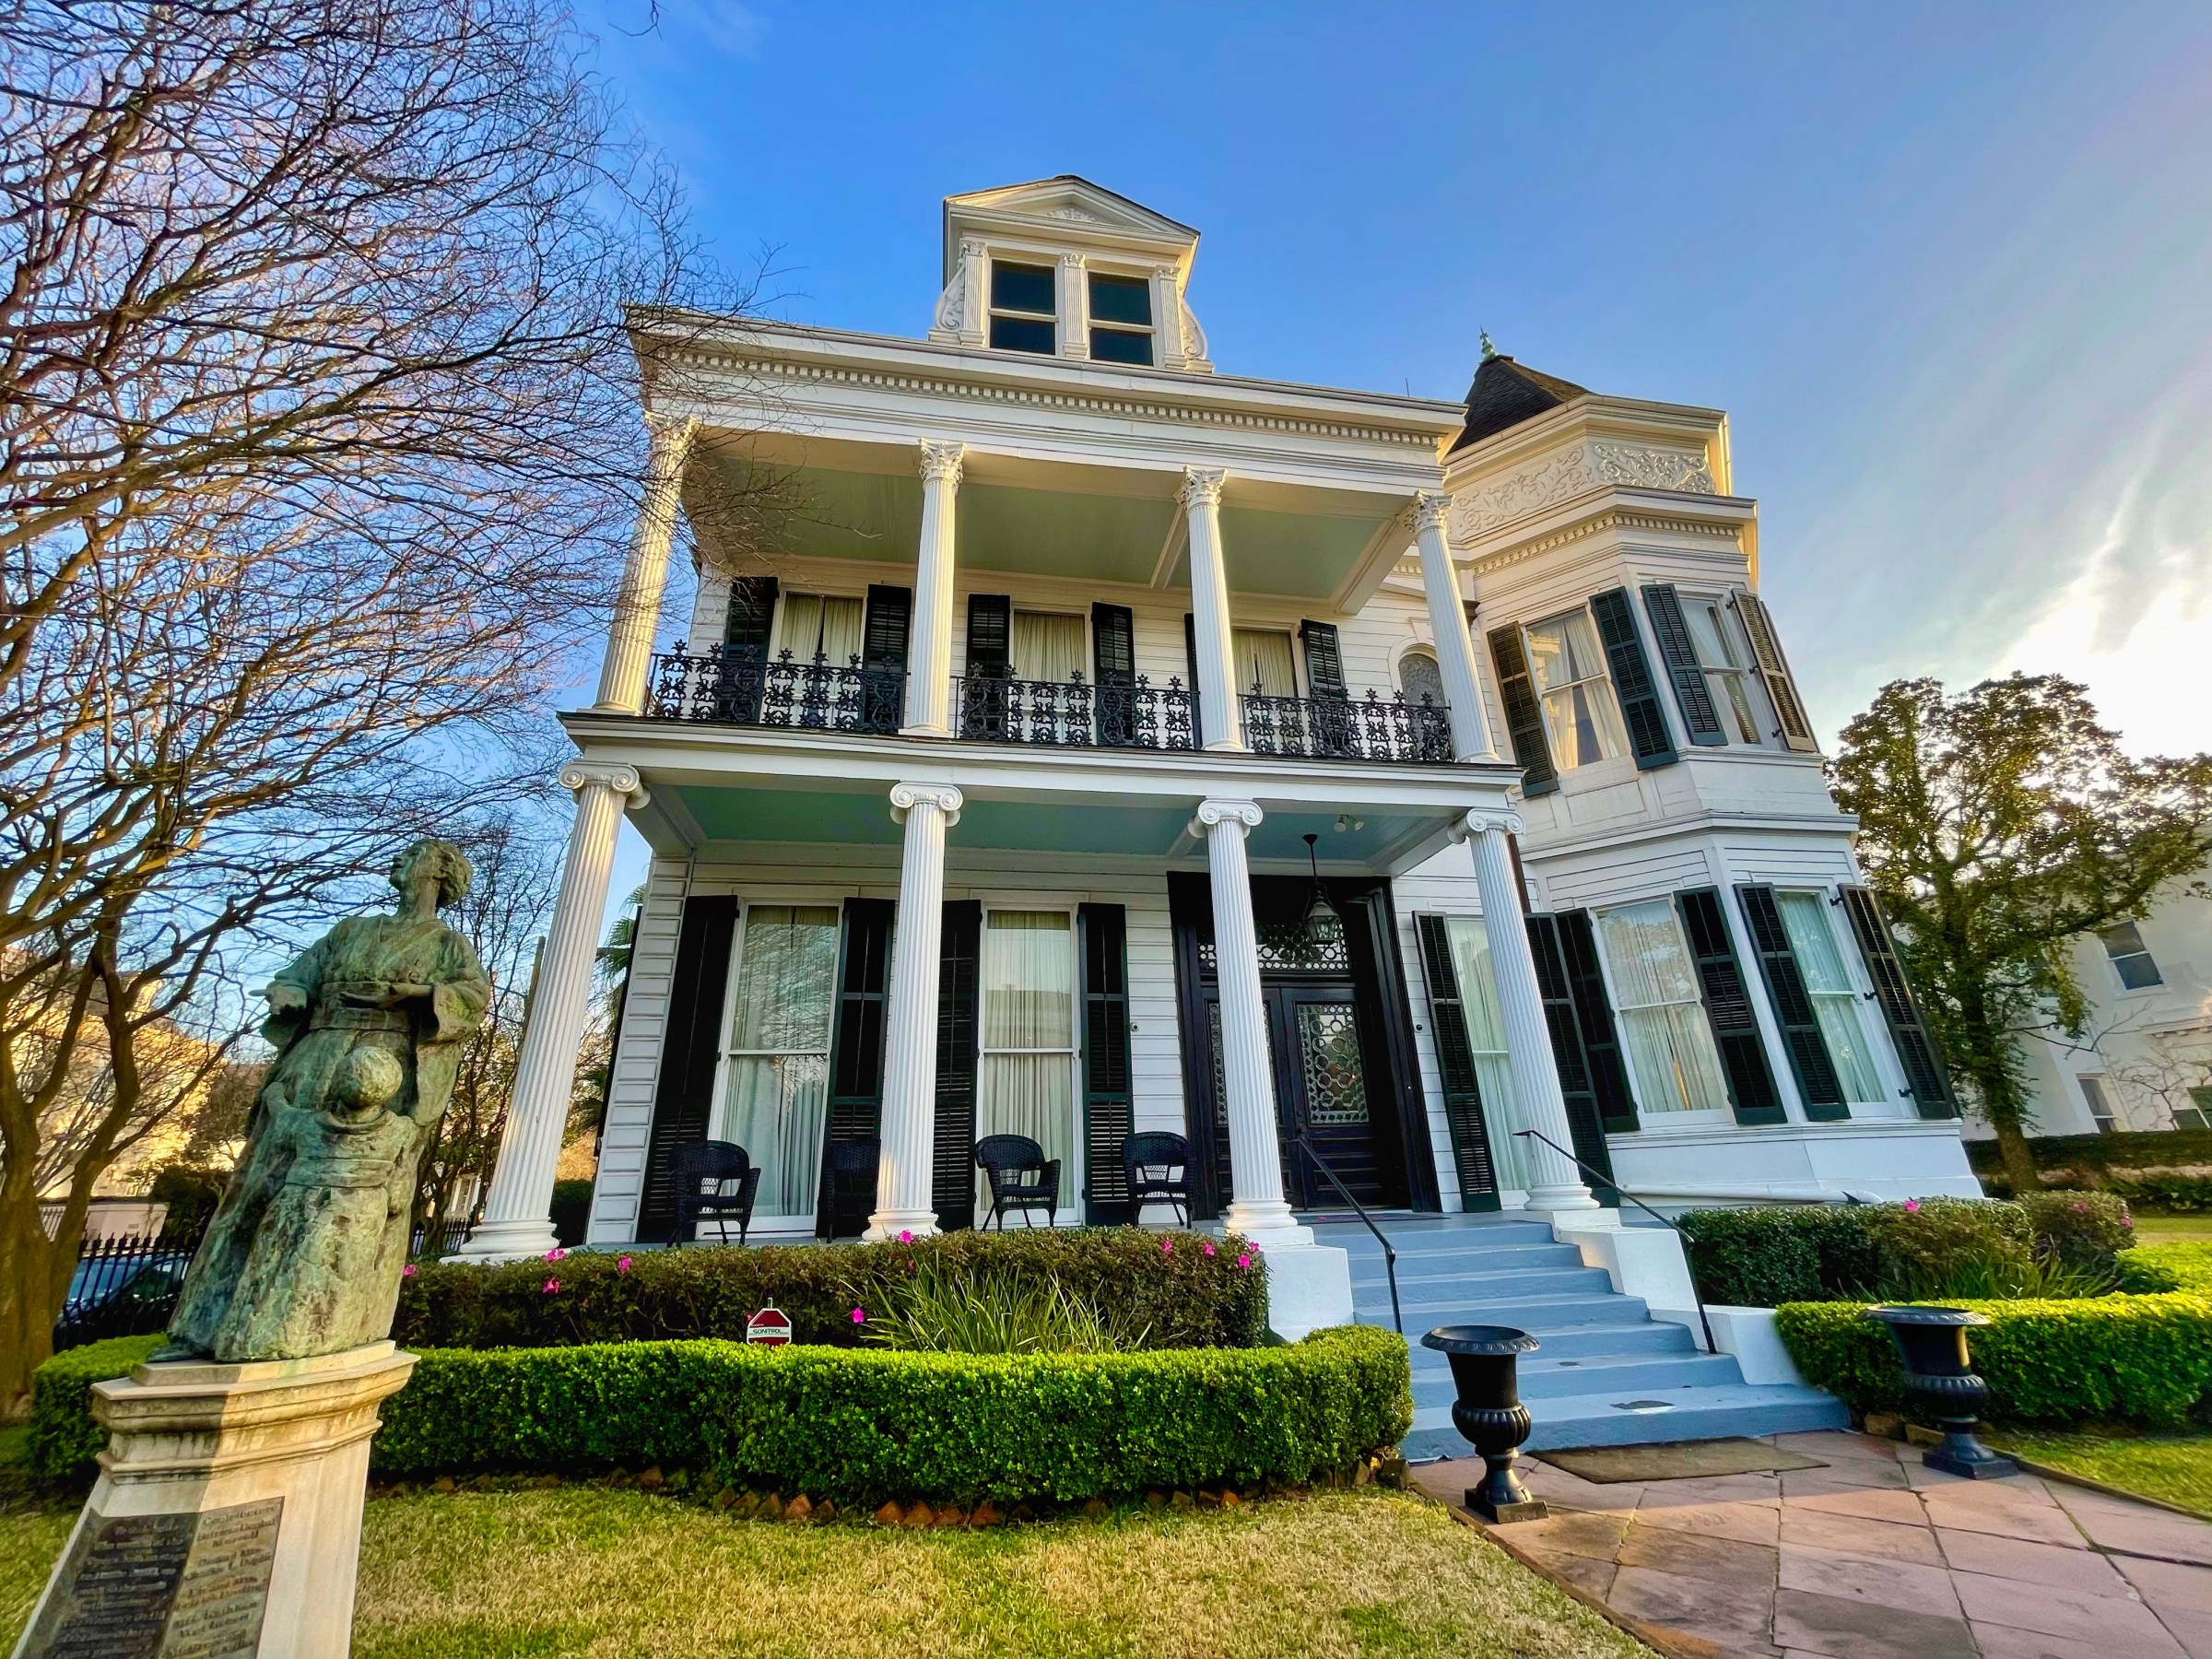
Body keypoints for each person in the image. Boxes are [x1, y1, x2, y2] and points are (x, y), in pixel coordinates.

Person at [163, 839, 490, 1361]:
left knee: (364, 1196)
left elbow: (473, 1000)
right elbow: (297, 974)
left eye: (413, 855)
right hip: (314, 1059)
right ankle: (201, 1327)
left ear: (441, 873)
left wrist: (419, 996)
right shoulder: (350, 933)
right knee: (258, 1182)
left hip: (387, 1064)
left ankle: (337, 1322)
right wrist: (289, 991)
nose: (399, 860)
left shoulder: (448, 947)